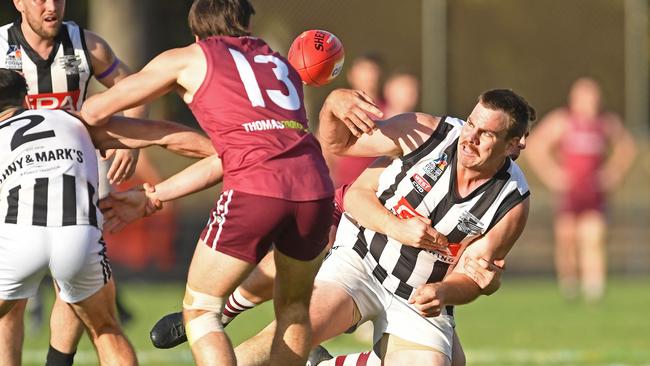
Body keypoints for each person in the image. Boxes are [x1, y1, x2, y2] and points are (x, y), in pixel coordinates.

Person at [80, 0, 335, 364]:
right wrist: (155, 196)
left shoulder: (188, 58)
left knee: (200, 310)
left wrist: (140, 134)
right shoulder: (279, 63)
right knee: (294, 307)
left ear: (196, 30)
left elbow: (93, 112)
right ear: (247, 23)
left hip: (255, 190)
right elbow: (230, 157)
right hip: (315, 188)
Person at [218, 87, 533, 366]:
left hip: (416, 297)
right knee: (291, 337)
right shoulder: (426, 133)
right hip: (360, 262)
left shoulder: (511, 202)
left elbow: (473, 276)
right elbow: (342, 157)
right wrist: (332, 106)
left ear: (512, 146)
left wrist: (443, 291)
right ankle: (220, 313)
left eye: (486, 134)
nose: (470, 139)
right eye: (471, 124)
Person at [0, 68, 215, 365]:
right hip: (77, 234)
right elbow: (160, 134)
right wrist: (227, 153)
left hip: (18, 237)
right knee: (105, 329)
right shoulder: (73, 120)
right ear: (26, 100)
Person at [0, 1, 146, 364]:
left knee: (74, 280)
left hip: (76, 172)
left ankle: (58, 361)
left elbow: (135, 89)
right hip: (17, 175)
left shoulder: (87, 45)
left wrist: (132, 144)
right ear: (18, 2)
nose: (51, 7)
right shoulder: (1, 46)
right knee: (12, 300)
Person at [525, 77, 636, 302]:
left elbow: (627, 148)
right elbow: (536, 146)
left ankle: (594, 288)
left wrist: (612, 173)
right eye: (585, 97)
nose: (590, 102)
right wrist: (553, 175)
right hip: (570, 192)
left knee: (593, 237)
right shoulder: (563, 121)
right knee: (567, 239)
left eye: (594, 97)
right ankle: (570, 285)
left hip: (594, 192)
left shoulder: (606, 123)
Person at [325, 54, 385, 188]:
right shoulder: (339, 108)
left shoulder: (388, 109)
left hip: (375, 187)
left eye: (372, 70)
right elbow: (325, 147)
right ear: (351, 75)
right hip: (342, 186)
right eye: (364, 70)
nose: (369, 76)